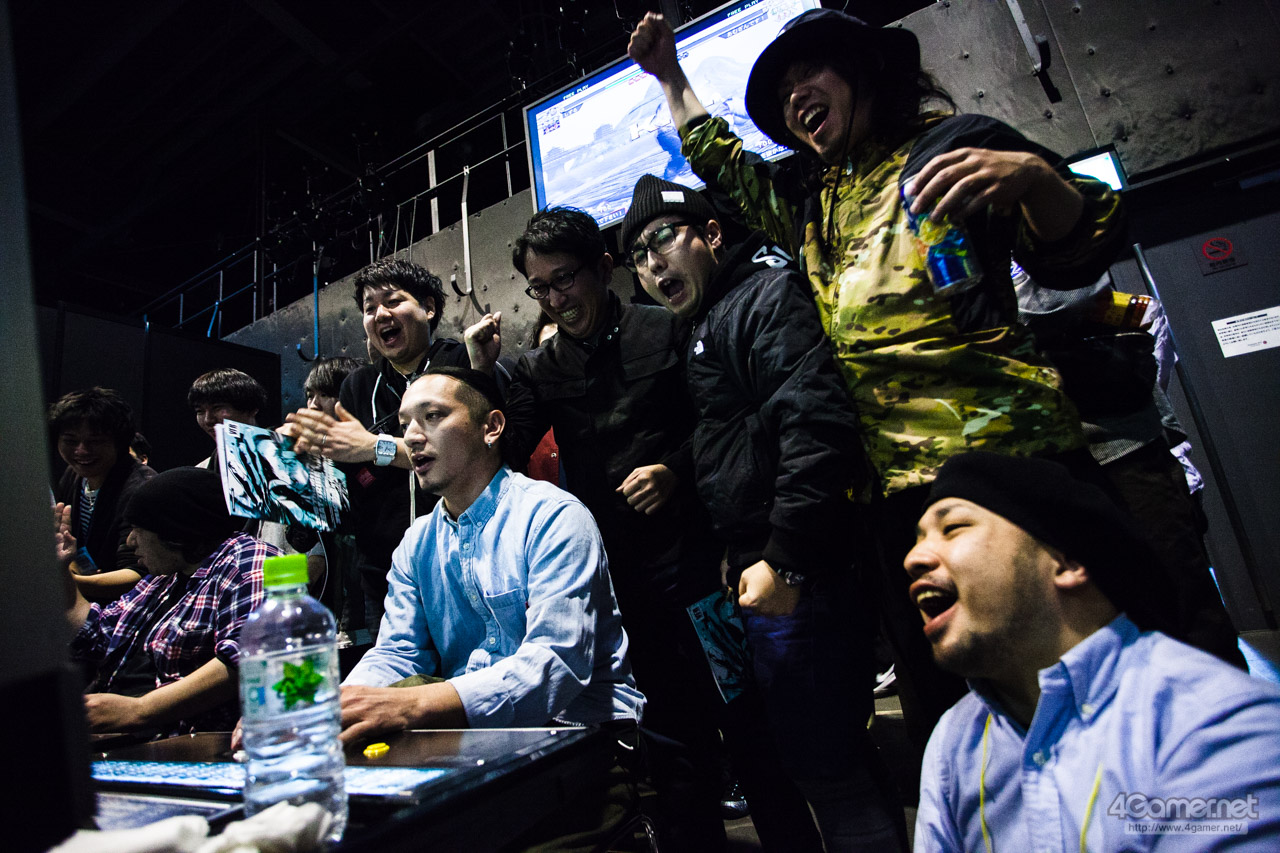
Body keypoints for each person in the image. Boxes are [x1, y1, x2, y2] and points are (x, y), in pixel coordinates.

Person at [629, 9, 1127, 750]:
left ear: (865, 72)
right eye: (784, 92)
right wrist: (669, 76)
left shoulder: (950, 145)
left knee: (1089, 691)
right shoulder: (812, 202)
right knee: (963, 718)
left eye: (811, 74)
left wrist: (1033, 180)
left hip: (1010, 471)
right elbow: (723, 161)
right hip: (896, 503)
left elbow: (1083, 245)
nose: (796, 97)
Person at [467, 208, 820, 850]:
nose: (555, 299)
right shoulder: (541, 369)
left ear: (604, 268)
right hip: (624, 589)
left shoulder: (668, 328)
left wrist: (675, 470)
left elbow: (719, 420)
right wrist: (484, 372)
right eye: (539, 288)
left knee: (751, 732)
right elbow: (505, 451)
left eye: (565, 279)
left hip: (702, 573)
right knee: (673, 754)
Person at [621, 174, 905, 850]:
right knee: (816, 754)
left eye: (663, 239)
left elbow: (816, 425)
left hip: (803, 568)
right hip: (766, 559)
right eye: (638, 255)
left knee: (831, 765)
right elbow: (739, 441)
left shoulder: (760, 297)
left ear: (712, 234)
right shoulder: (709, 319)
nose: (652, 263)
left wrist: (785, 556)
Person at [905, 452, 1280, 851]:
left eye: (954, 528)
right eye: (918, 539)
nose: (913, 559)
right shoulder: (954, 741)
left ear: (1066, 562)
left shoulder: (1215, 725)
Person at [281, 259, 472, 639]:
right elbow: (349, 479)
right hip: (383, 574)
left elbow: (468, 454)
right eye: (370, 308)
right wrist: (297, 465)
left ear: (428, 307)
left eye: (393, 301)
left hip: (465, 559)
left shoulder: (461, 362)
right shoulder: (359, 385)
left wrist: (375, 447)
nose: (380, 314)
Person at [61, 467, 275, 734]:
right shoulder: (163, 577)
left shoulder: (249, 562)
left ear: (175, 532)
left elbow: (247, 659)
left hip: (182, 740)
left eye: (138, 529)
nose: (130, 541)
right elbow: (97, 633)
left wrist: (139, 710)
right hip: (123, 731)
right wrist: (60, 571)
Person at [50, 387, 155, 602]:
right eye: (70, 441)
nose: (81, 451)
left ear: (120, 442)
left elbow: (140, 573)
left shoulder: (142, 488)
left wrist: (69, 582)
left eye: (95, 441)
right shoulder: (74, 474)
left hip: (126, 609)